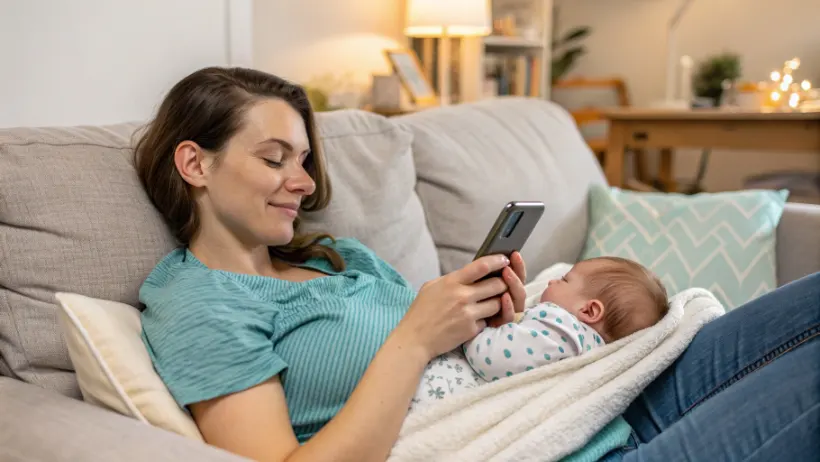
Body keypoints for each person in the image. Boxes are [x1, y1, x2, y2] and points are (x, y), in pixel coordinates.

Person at [135, 67, 819, 462]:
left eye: (305, 160)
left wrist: (490, 319)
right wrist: (415, 338)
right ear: (195, 163)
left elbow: (456, 365)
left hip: (589, 401)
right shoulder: (201, 305)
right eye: (274, 159)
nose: (305, 182)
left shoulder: (339, 258)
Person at [412, 257, 670, 407]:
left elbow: (490, 357)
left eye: (565, 280)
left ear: (589, 311)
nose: (552, 281)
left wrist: (477, 324)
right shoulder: (591, 351)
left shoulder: (561, 328)